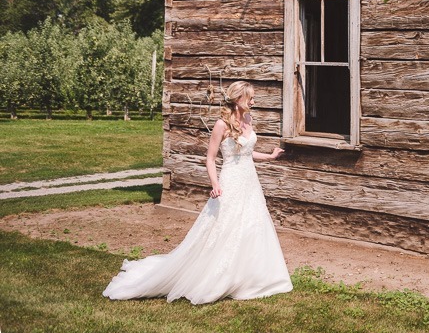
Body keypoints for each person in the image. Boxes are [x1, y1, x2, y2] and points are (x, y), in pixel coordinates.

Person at [103, 81, 293, 304]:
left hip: (250, 182)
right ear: (238, 98)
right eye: (250, 97)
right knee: (224, 227)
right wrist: (214, 184)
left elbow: (247, 152)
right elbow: (210, 159)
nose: (254, 101)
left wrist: (269, 156)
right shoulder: (221, 124)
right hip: (230, 180)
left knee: (252, 225)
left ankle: (252, 277)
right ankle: (215, 276)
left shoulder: (249, 119)